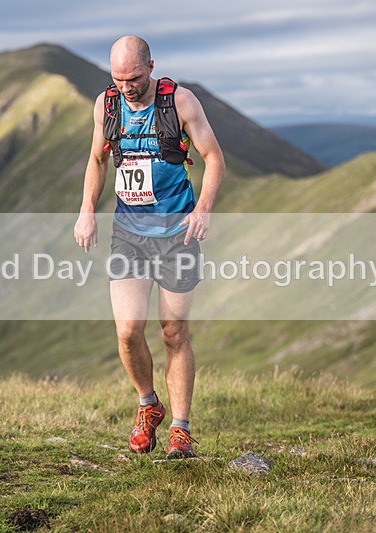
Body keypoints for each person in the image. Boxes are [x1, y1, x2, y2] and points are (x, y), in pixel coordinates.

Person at [74, 36, 224, 458]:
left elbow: (213, 157)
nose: (127, 86)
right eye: (118, 78)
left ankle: (180, 429)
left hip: (178, 233)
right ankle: (148, 405)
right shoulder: (106, 105)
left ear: (151, 66)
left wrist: (205, 208)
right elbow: (98, 159)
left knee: (173, 331)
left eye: (135, 77)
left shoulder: (180, 103)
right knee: (127, 331)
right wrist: (87, 210)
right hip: (129, 234)